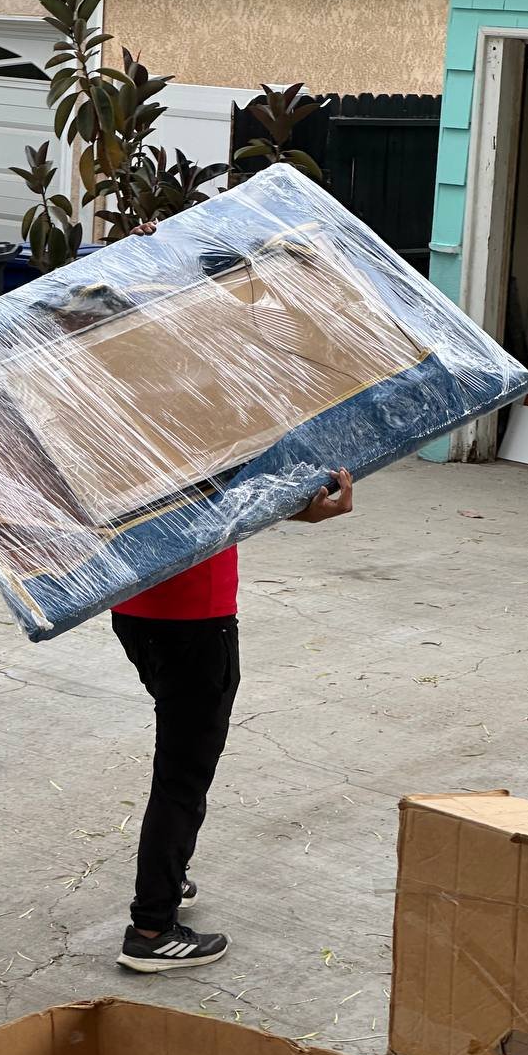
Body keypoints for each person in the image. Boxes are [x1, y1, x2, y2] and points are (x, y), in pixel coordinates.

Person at [111, 220, 354, 972]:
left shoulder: (137, 380)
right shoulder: (216, 390)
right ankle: (151, 930)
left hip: (131, 602)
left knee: (176, 744)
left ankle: (169, 875)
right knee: (184, 764)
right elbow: (245, 492)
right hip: (194, 611)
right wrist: (311, 505)